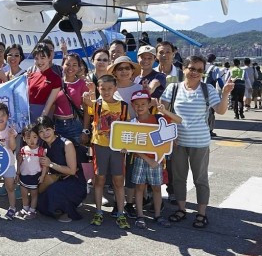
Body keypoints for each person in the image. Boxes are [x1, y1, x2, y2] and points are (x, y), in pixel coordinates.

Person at [161, 56, 233, 229]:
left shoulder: (207, 89)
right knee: (178, 178)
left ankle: (201, 213)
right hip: (178, 142)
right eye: (192, 68)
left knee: (200, 179)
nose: (195, 73)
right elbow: (162, 111)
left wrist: (225, 94)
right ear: (184, 68)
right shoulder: (174, 88)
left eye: (200, 70)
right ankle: (181, 209)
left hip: (200, 142)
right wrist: (170, 133)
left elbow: (221, 111)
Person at [125, 90, 181, 229]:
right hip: (140, 160)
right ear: (132, 106)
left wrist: (164, 111)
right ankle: (140, 216)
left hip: (157, 160)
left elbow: (178, 120)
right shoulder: (132, 123)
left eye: (143, 103)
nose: (140, 107)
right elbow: (132, 147)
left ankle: (157, 215)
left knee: (156, 188)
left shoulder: (158, 119)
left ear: (149, 104)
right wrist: (147, 159)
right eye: (136, 104)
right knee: (139, 188)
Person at [83, 74, 130, 229]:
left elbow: (127, 128)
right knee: (99, 180)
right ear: (99, 88)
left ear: (115, 88)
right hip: (99, 146)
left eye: (110, 88)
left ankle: (121, 213)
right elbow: (87, 103)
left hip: (117, 148)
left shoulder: (123, 106)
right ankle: (98, 211)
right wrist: (89, 91)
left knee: (118, 180)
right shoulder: (96, 104)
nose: (106, 91)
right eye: (103, 88)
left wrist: (125, 145)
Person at [34, 116, 87, 222]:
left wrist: (51, 164)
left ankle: (64, 211)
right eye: (41, 131)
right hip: (56, 179)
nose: (45, 134)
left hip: (74, 181)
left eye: (48, 129)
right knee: (38, 198)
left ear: (54, 128)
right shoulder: (42, 144)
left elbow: (72, 170)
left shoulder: (66, 144)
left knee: (53, 192)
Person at [52, 53, 88, 145]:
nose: (70, 68)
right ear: (62, 65)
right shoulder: (56, 82)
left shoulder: (82, 84)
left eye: (74, 65)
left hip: (74, 125)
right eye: (67, 64)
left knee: (77, 156)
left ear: (79, 67)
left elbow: (87, 110)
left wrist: (85, 130)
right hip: (57, 126)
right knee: (58, 156)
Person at [16, 124, 45, 218]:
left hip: (35, 175)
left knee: (34, 194)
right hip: (24, 175)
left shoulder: (40, 151)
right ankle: (25, 208)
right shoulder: (23, 149)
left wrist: (42, 176)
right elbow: (19, 162)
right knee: (24, 193)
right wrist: (17, 173)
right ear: (24, 138)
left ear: (38, 137)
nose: (32, 140)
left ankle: (32, 210)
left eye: (35, 137)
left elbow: (45, 165)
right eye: (28, 137)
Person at [27, 43, 62, 121]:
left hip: (44, 116)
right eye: (36, 58)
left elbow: (49, 103)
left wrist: (42, 119)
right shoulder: (31, 76)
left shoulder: (55, 78)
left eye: (43, 58)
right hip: (28, 115)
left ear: (49, 58)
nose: (39, 61)